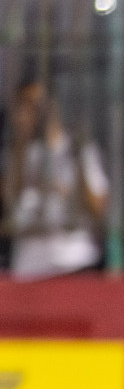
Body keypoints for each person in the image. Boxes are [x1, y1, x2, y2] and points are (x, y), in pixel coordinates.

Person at [2, 79, 109, 280]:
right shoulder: (18, 154)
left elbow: (100, 207)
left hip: (73, 263)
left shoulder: (78, 148)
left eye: (31, 106)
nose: (23, 115)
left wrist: (72, 182)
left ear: (50, 108)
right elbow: (11, 204)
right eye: (20, 107)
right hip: (29, 268)